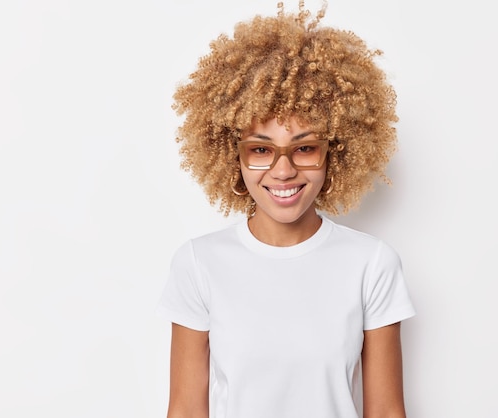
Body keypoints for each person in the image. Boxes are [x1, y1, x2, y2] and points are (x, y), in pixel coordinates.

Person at [156, 1, 415, 417]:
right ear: (230, 154)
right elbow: (185, 410)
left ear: (336, 152)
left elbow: (386, 411)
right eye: (260, 149)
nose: (283, 170)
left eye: (305, 148)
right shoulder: (198, 263)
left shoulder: (372, 264)